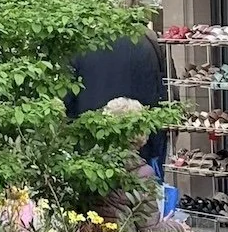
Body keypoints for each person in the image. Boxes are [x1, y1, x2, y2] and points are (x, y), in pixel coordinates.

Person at [65, 31, 167, 168]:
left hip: (90, 145)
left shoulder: (79, 43)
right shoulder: (148, 40)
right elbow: (164, 91)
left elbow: (67, 99)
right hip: (140, 142)